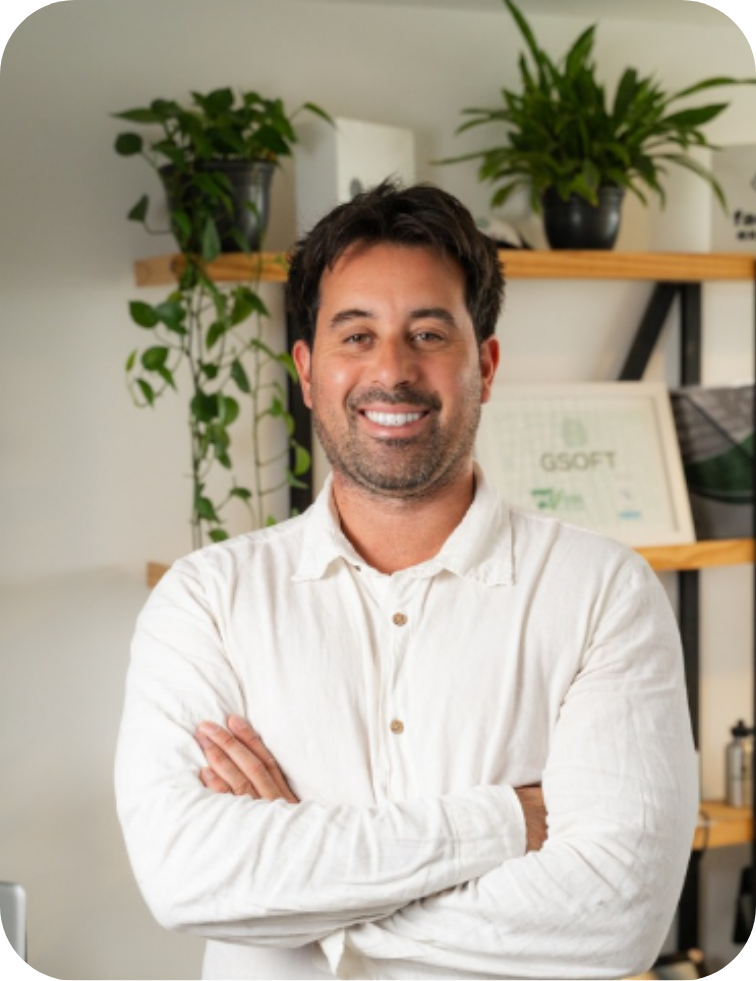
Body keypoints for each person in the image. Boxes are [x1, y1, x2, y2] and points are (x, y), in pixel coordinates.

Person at [115, 180, 698, 981]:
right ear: (307, 369)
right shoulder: (206, 600)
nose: (392, 370)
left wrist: (310, 905)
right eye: (356, 335)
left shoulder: (604, 594)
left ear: (484, 365)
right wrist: (504, 821)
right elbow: (186, 874)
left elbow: (616, 910)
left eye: (428, 333)